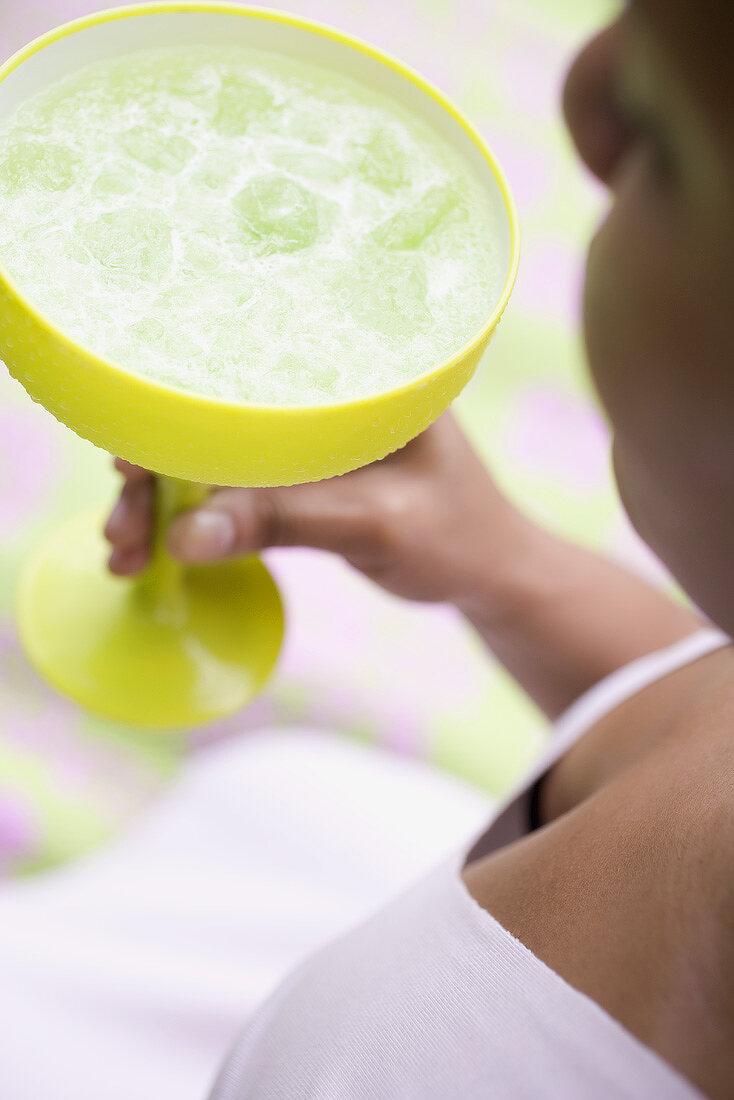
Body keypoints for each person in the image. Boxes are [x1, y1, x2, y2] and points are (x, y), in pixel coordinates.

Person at [3, 0, 732, 1096]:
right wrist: (507, 566)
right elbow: (696, 713)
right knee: (284, 790)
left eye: (664, 135)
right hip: (345, 904)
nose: (580, 102)